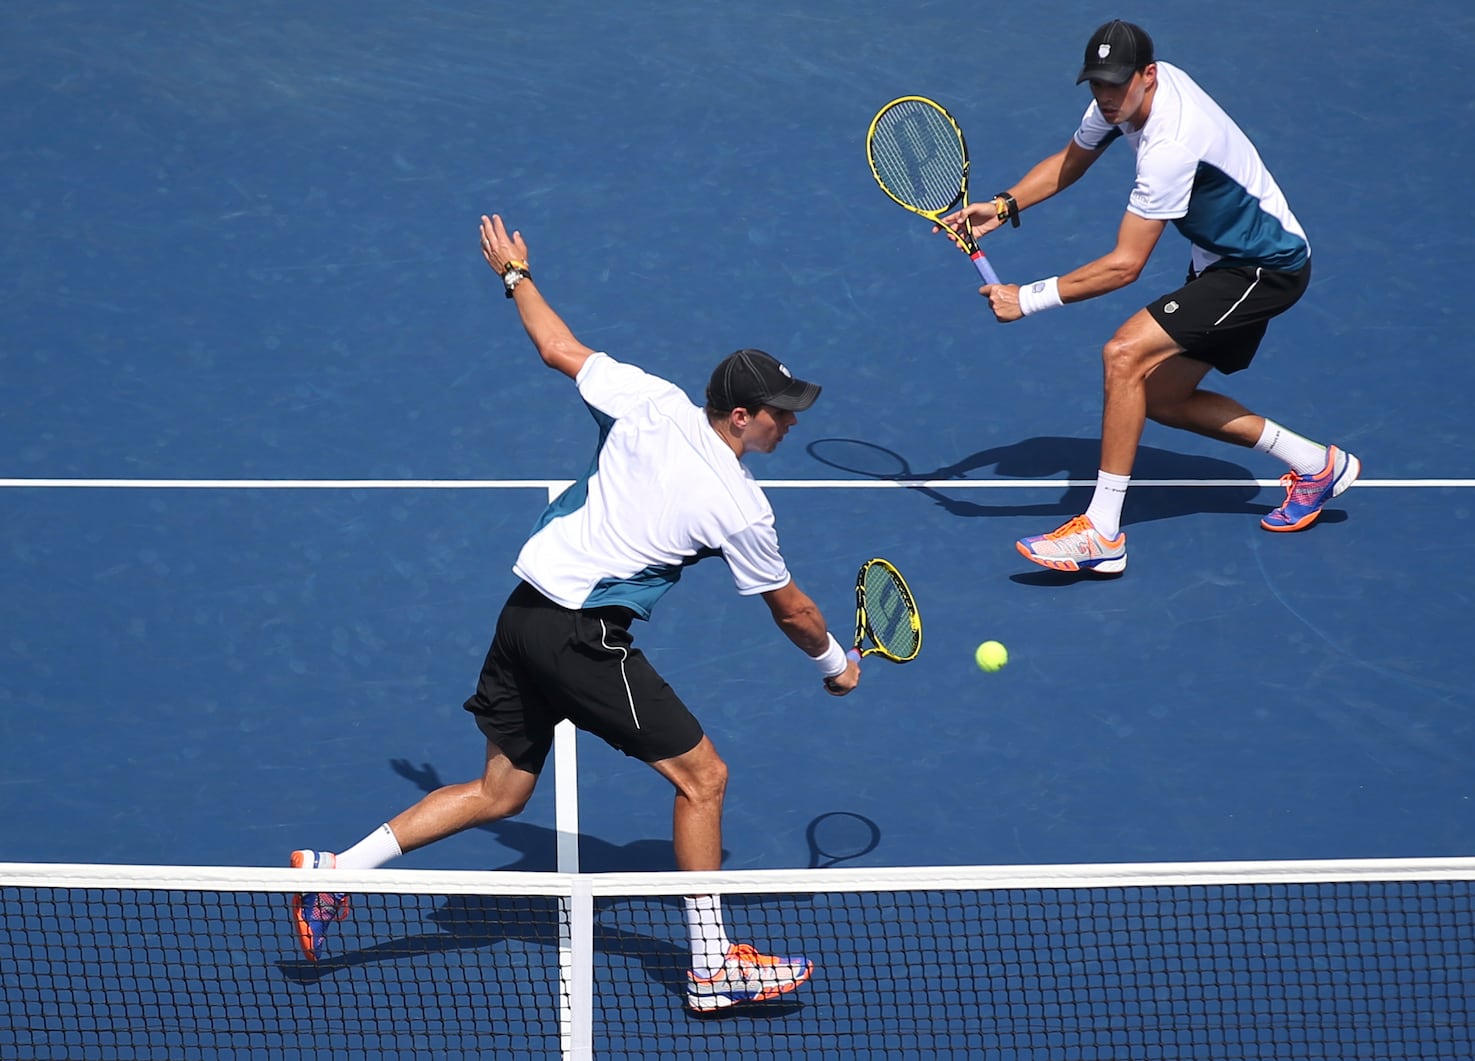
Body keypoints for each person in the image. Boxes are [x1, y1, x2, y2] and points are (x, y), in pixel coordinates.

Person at [287, 214, 860, 1014]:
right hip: (579, 637)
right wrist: (836, 665)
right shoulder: (740, 505)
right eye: (781, 410)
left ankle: (334, 873)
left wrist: (515, 274)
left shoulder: (652, 401)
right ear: (740, 416)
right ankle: (710, 964)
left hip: (521, 617)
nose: (791, 420)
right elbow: (792, 609)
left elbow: (558, 348)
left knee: (500, 793)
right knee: (704, 779)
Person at [944, 19, 1360, 574]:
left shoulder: (1171, 141)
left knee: (1124, 355)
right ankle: (1316, 466)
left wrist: (1029, 298)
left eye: (1117, 85)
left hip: (1263, 268)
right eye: (1097, 85)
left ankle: (1101, 531)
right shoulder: (1120, 100)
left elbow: (1125, 266)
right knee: (1161, 397)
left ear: (1149, 75)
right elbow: (1072, 160)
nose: (1106, 97)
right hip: (1219, 259)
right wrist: (1003, 205)